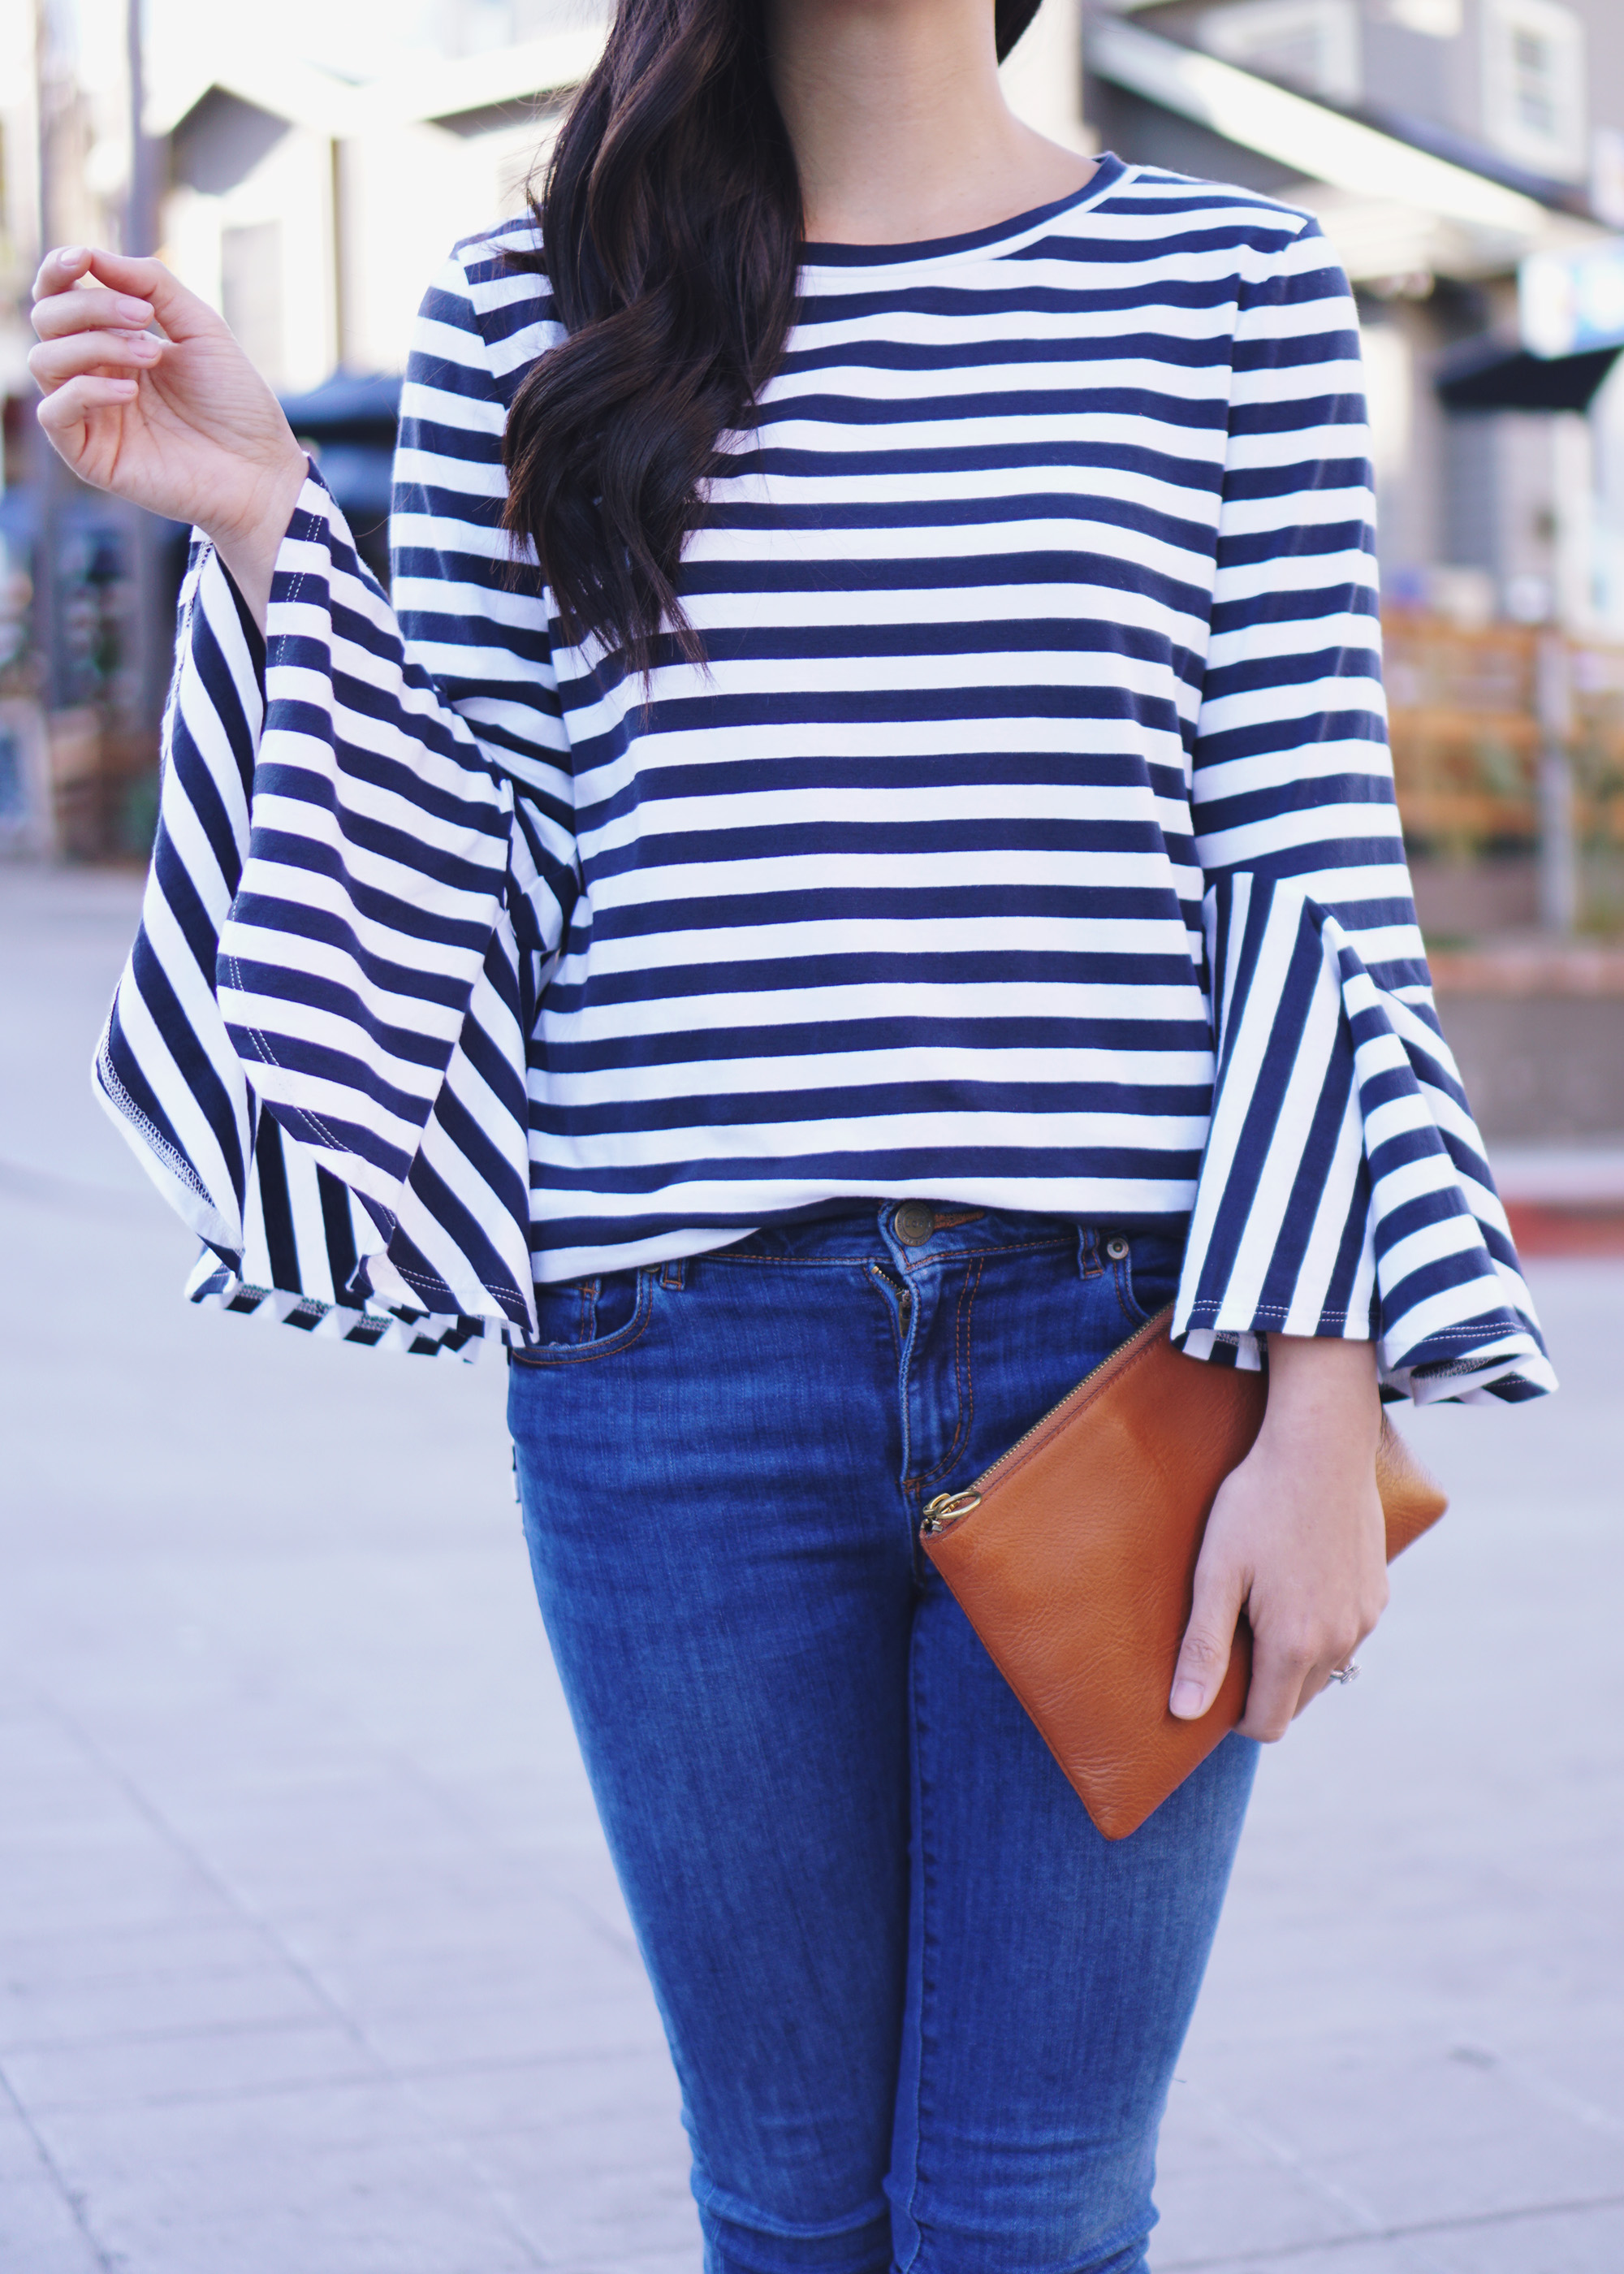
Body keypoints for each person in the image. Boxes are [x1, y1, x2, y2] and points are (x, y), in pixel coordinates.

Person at [31, 1, 1552, 2266]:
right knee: (791, 2213)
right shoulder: (530, 314)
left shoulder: (1226, 290)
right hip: (670, 1385)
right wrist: (266, 520)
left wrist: (1327, 1401)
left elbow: (1302, 860)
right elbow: (473, 891)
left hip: (1115, 1367)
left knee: (1029, 2215)